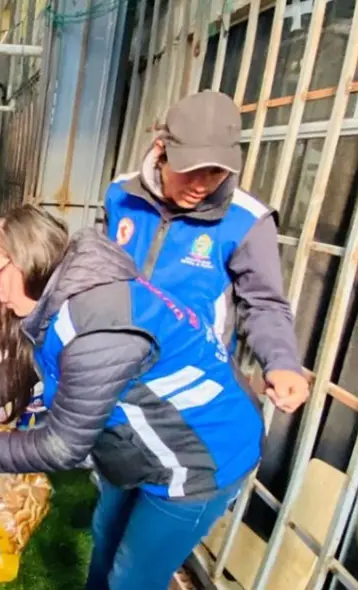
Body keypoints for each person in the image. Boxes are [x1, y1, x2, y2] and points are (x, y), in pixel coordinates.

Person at [0, 206, 263, 590]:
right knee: (106, 536)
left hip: (203, 454)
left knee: (133, 577)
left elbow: (62, 446)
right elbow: (44, 361)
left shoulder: (97, 330)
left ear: (28, 263)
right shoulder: (65, 291)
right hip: (139, 443)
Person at [104, 91, 308, 414]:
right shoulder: (121, 195)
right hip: (113, 372)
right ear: (161, 150)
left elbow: (264, 303)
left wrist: (282, 361)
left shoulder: (247, 222)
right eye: (190, 169)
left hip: (188, 389)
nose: (201, 184)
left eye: (215, 172)